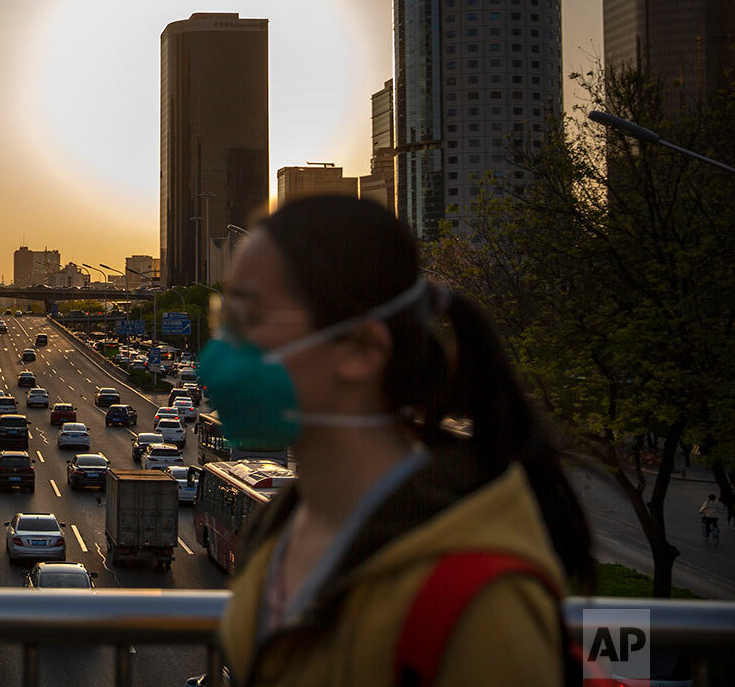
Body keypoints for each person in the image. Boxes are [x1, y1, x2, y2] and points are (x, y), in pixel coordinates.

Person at [202, 195, 593, 686]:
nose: (218, 354)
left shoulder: (482, 610)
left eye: (249, 319)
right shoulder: (278, 532)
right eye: (224, 317)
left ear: (362, 349)